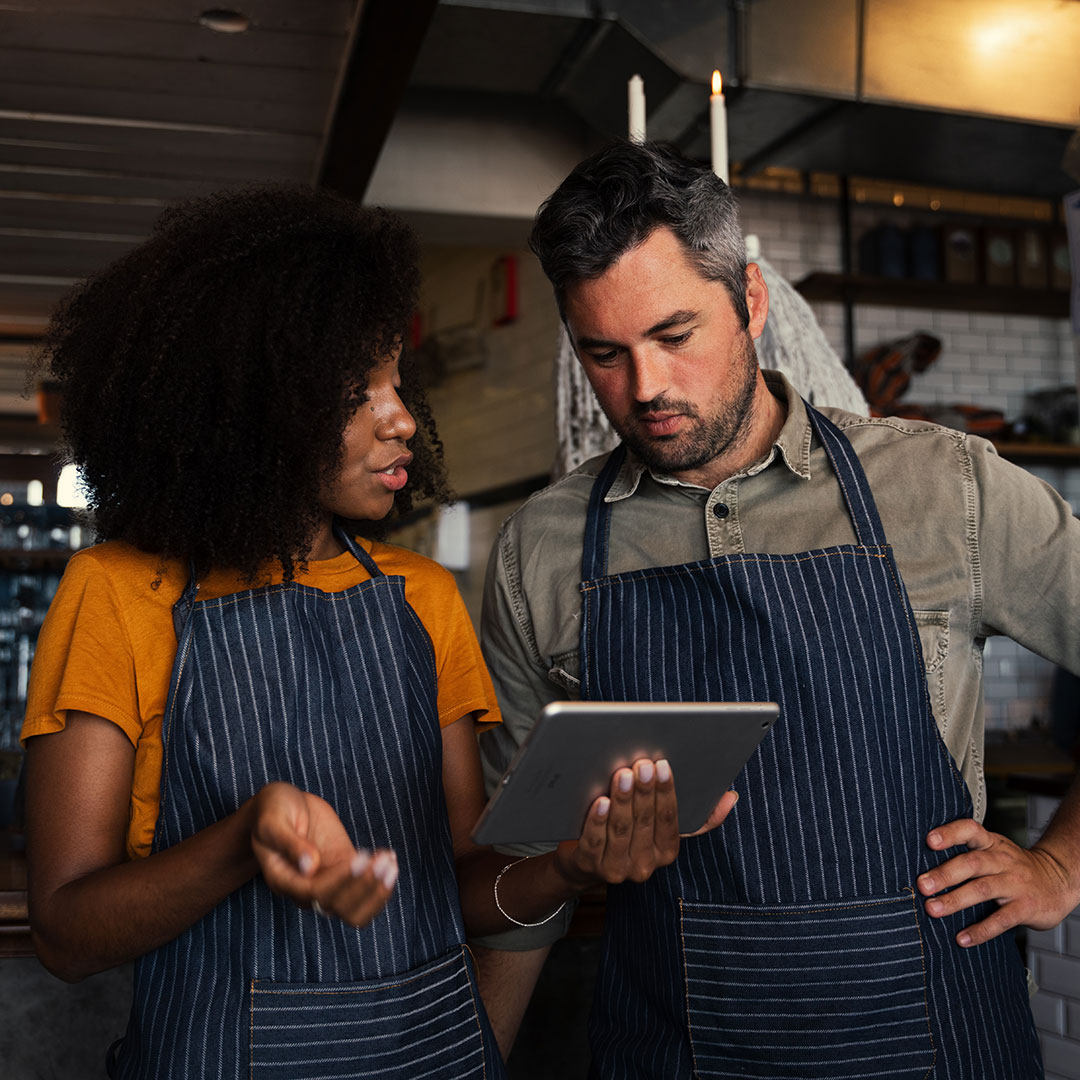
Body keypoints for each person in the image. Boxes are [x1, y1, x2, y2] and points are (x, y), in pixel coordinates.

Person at [19, 187, 700, 1078]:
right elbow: (67, 934)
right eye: (355, 393)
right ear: (245, 411)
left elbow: (458, 886)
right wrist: (242, 839)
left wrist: (575, 866)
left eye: (393, 381)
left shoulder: (421, 598)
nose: (402, 417)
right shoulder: (117, 596)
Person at [476, 141, 1080, 1078]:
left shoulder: (943, 487)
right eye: (604, 354)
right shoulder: (542, 553)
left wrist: (1060, 867)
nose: (646, 391)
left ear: (751, 299)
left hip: (930, 1039)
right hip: (671, 1050)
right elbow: (521, 873)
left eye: (675, 336)